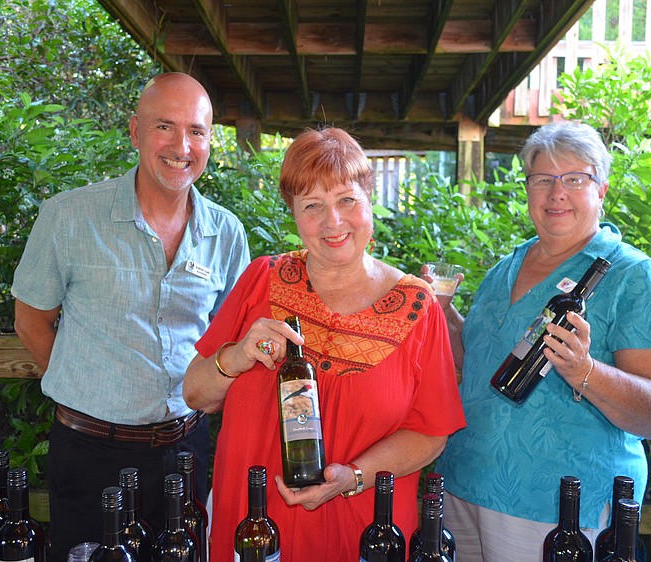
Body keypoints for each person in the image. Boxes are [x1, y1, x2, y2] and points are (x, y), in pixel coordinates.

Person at [183, 127, 466, 562]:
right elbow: (195, 394)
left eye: (346, 200)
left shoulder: (417, 307)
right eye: (312, 206)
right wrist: (237, 356)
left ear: (370, 199)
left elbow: (431, 433)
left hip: (366, 533)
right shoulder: (262, 280)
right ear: (294, 214)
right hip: (256, 525)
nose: (333, 222)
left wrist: (352, 476)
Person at [12, 72, 250, 562]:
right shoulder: (69, 218)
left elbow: (231, 342)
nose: (182, 145)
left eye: (197, 131)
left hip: (186, 451)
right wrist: (91, 390)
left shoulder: (226, 233)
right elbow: (31, 323)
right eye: (165, 126)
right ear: (135, 132)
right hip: (89, 454)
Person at [432, 121, 651, 560]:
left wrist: (584, 371)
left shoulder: (634, 277)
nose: (557, 193)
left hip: (556, 509)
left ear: (602, 189)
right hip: (461, 485)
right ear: (528, 189)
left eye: (575, 179)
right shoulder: (506, 267)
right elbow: (476, 360)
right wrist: (443, 313)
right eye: (543, 180)